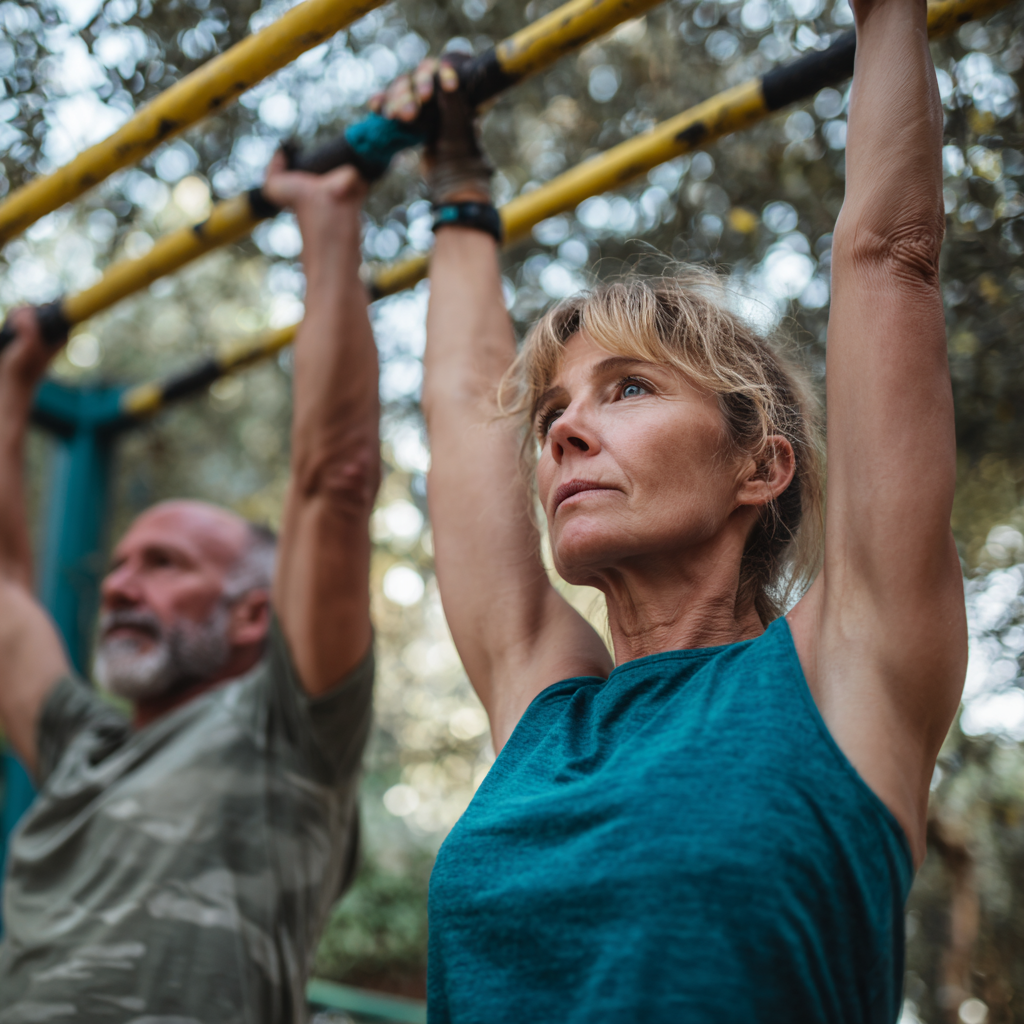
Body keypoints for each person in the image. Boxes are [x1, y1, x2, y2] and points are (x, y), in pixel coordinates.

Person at [375, 0, 967, 1017]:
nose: (561, 432)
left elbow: (888, 257)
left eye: (630, 389)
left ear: (760, 467)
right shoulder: (545, 707)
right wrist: (455, 182)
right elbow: (471, 409)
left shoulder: (843, 672)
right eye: (555, 410)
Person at [0, 156, 380, 1022]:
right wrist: (11, 387)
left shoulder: (288, 729)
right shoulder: (79, 749)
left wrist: (326, 221)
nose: (120, 587)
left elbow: (336, 478)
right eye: (120, 566)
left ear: (255, 613)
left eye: (164, 564)